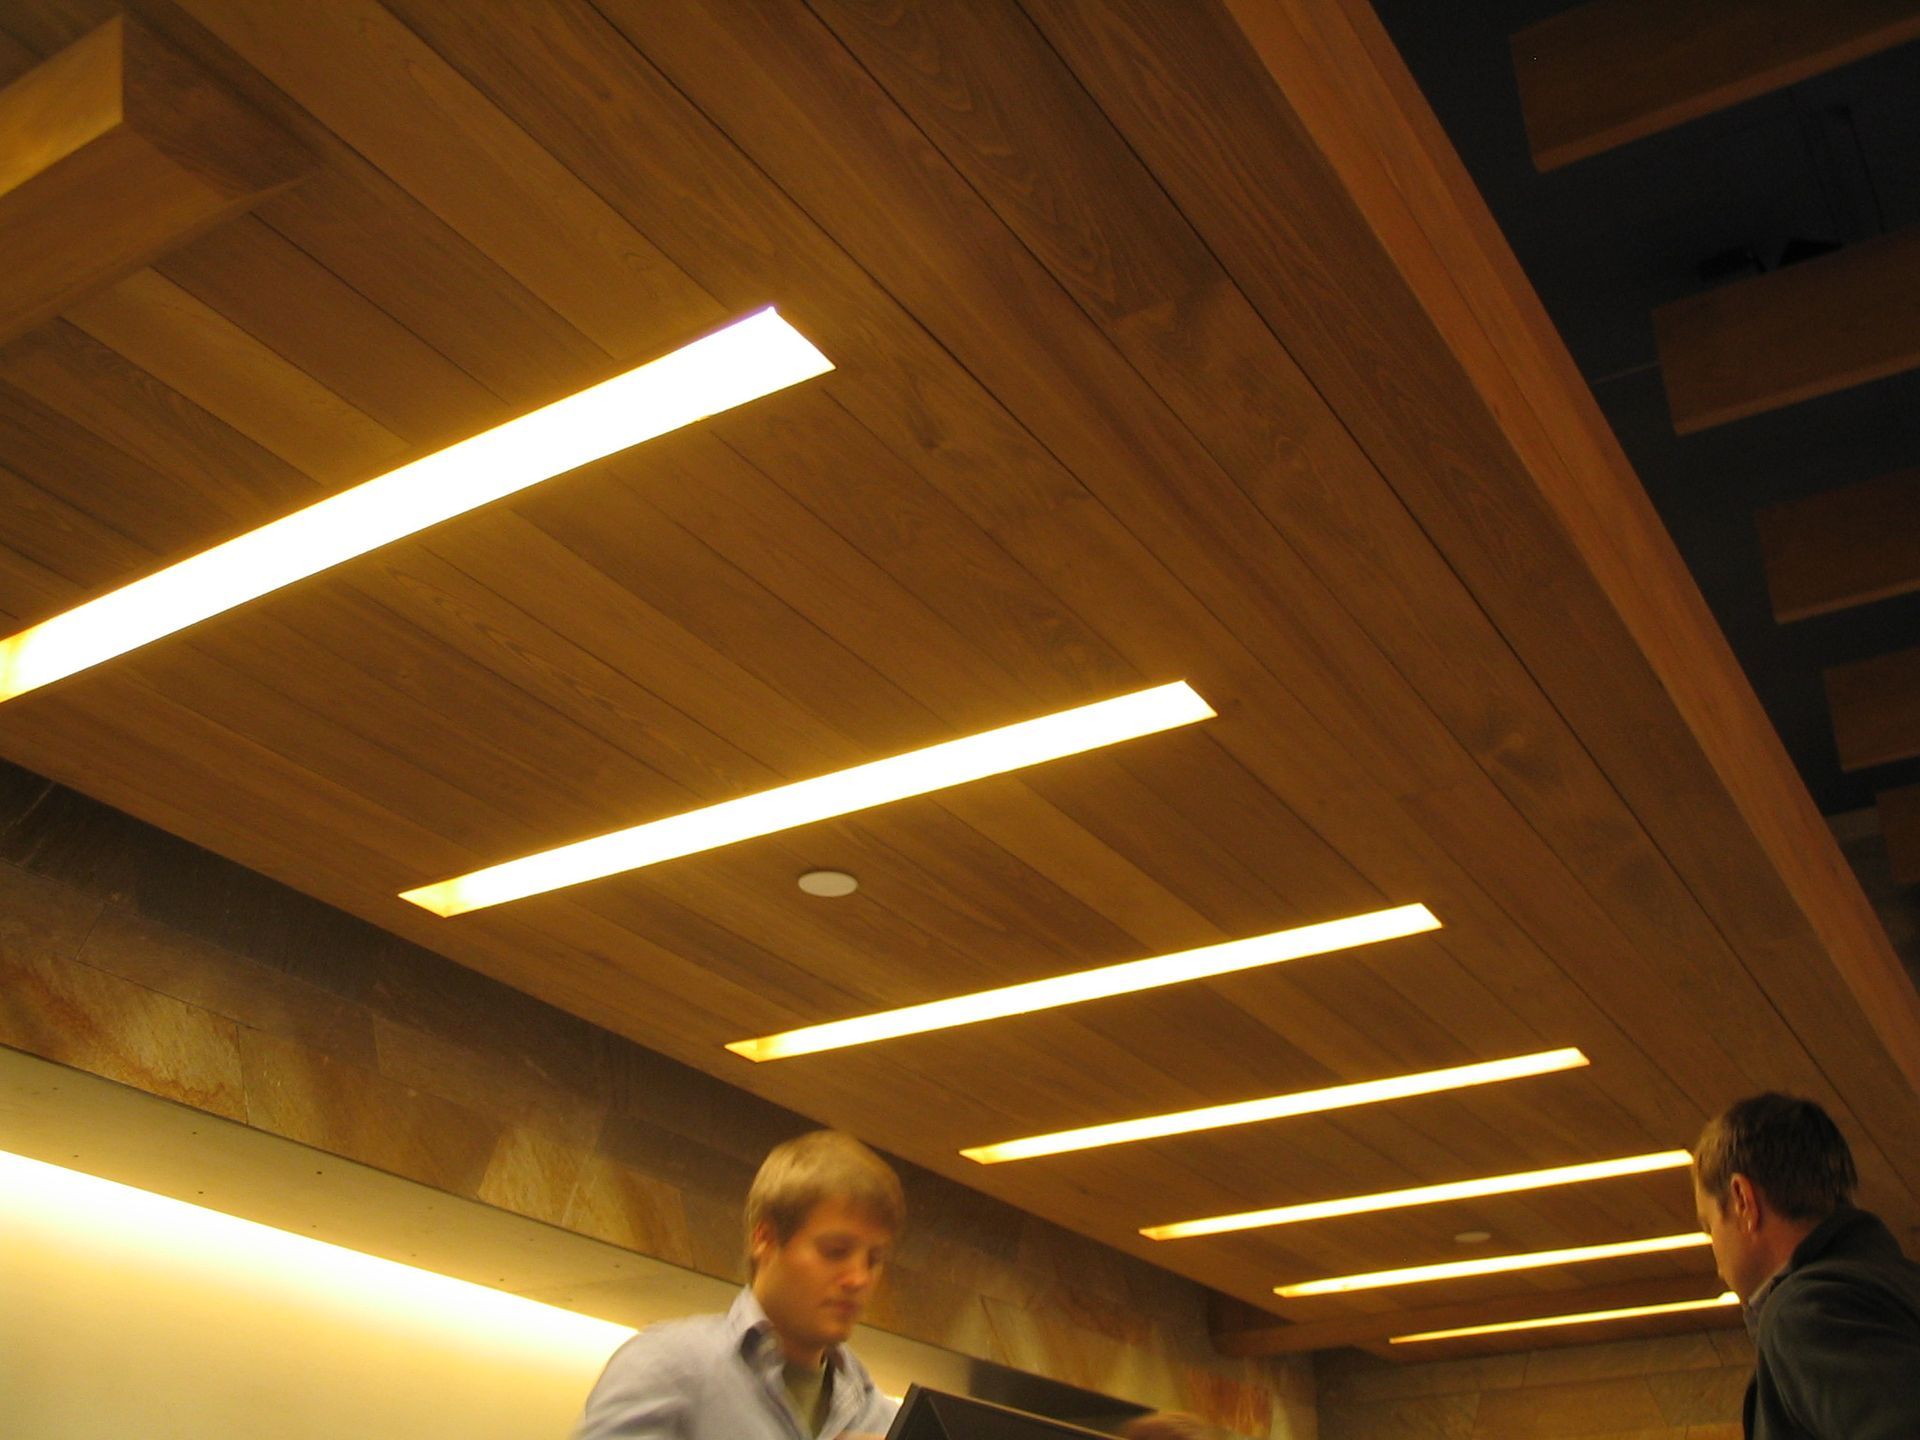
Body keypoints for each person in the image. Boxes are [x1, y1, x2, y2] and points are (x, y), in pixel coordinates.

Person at [573, 1129, 905, 1439]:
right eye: (835, 1251)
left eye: (874, 1260)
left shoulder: (883, 1419)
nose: (859, 1278)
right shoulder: (668, 1366)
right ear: (765, 1239)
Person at [1691, 1092, 1920, 1439]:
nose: (1718, 1266)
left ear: (1742, 1201)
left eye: (1709, 1226)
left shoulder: (1806, 1311)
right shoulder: (1898, 1284)